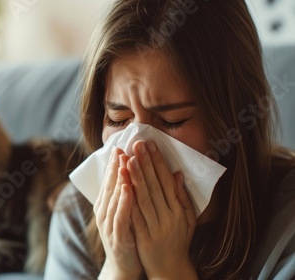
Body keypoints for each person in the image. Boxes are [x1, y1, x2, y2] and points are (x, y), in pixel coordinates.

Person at [44, 0, 295, 279]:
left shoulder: (287, 221)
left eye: (172, 121)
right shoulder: (76, 213)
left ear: (233, 118)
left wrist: (169, 270)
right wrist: (118, 269)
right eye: (118, 119)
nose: (136, 147)